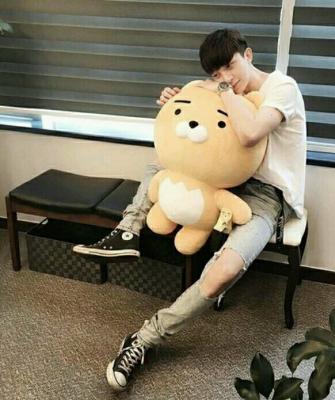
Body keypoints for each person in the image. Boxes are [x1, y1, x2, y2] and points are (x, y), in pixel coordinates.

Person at [73, 28, 306, 391]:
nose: (225, 77)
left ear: (248, 56)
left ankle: (145, 337)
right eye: (217, 73)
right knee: (166, 161)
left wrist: (223, 89)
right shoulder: (226, 87)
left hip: (267, 197)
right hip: (225, 182)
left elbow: (250, 133)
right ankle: (128, 230)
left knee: (223, 272)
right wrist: (177, 96)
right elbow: (198, 93)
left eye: (230, 66)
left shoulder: (282, 88)